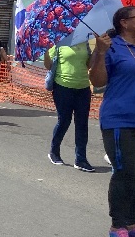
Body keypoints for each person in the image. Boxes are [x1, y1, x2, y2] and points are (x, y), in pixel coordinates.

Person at [89, 6, 135, 237]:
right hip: (120, 120)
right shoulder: (110, 47)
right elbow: (97, 81)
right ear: (124, 23)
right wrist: (99, 53)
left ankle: (134, 223)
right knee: (127, 172)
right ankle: (118, 225)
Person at [44, 41, 94, 172]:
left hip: (83, 88)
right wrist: (45, 52)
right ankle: (54, 152)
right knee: (64, 120)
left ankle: (81, 159)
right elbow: (48, 65)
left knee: (82, 123)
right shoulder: (60, 42)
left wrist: (99, 49)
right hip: (63, 87)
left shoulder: (85, 43)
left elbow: (89, 65)